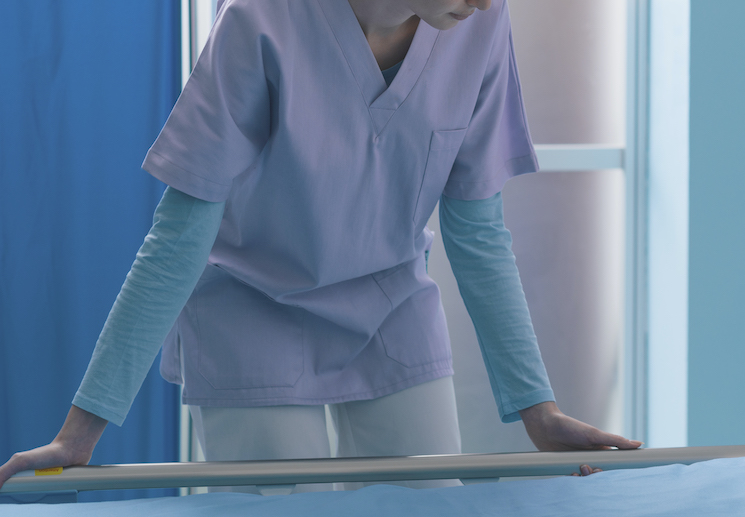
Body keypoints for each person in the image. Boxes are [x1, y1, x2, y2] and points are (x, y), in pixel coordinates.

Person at [0, 0, 639, 492]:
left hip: (392, 305)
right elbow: (178, 236)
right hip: (251, 307)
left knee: (427, 504)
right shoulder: (260, 21)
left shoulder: (482, 25)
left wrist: (539, 411)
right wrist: (80, 433)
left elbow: (478, 232)